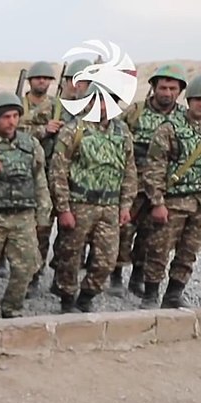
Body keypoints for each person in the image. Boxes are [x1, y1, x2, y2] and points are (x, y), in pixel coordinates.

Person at [48, 84, 136, 313]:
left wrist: (125, 205)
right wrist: (63, 208)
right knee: (70, 257)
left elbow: (129, 170)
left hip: (110, 207)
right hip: (80, 204)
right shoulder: (73, 130)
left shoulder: (122, 132)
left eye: (108, 100)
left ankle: (87, 296)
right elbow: (58, 172)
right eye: (98, 100)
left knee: (107, 260)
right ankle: (67, 299)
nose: (103, 106)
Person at [0, 92, 51, 318]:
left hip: (23, 217)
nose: (12, 121)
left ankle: (12, 307)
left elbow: (40, 180)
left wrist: (43, 214)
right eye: (6, 117)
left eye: (15, 116)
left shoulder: (30, 144)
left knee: (26, 265)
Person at [139, 74, 201, 308]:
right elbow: (154, 167)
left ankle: (174, 293)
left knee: (189, 251)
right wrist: (157, 202)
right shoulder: (170, 128)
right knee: (158, 249)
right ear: (189, 100)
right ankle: (150, 294)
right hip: (173, 202)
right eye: (198, 100)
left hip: (199, 204)